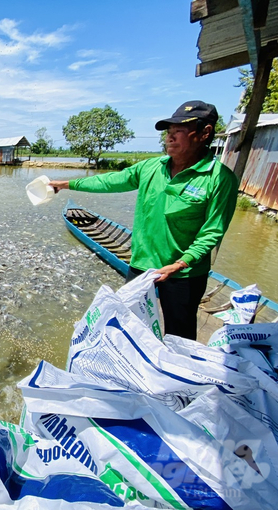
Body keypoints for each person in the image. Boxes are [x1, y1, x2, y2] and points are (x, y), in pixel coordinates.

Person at [50, 100, 239, 340]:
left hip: (183, 275)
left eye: (177, 131)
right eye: (168, 133)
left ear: (204, 133)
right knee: (129, 327)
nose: (169, 138)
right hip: (141, 265)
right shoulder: (151, 167)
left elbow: (212, 232)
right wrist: (65, 184)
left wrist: (181, 263)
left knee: (179, 335)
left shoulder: (220, 179)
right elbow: (109, 182)